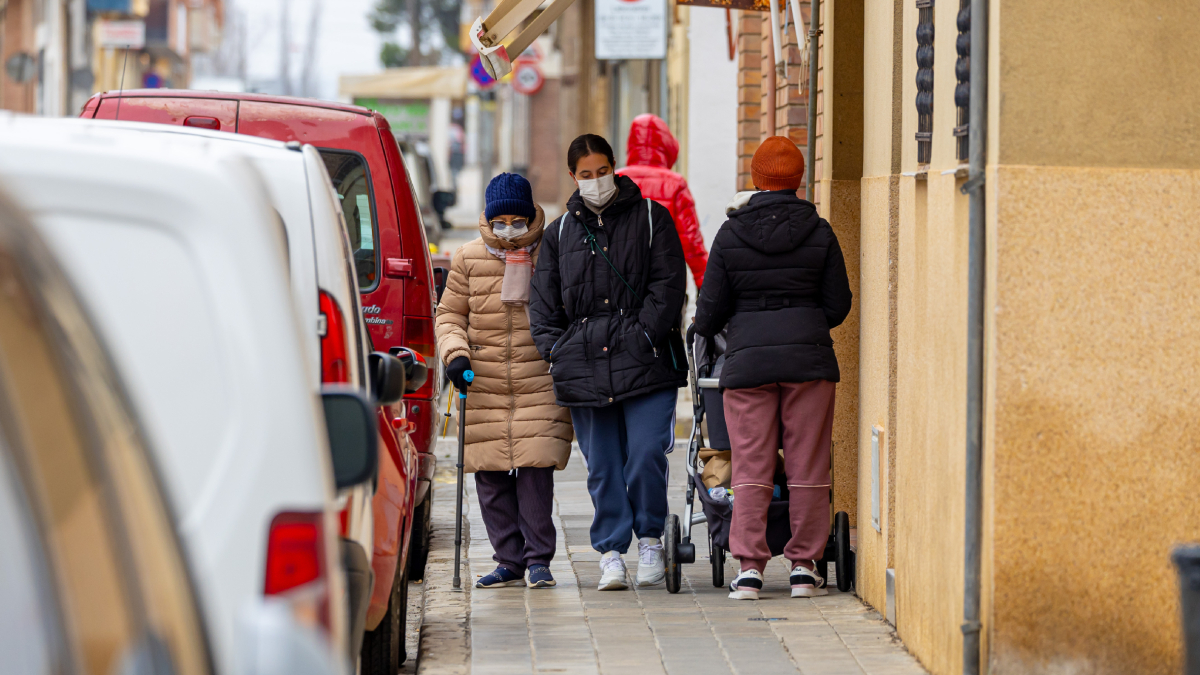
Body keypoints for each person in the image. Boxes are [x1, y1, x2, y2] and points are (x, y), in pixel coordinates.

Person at [692, 136, 853, 601]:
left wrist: (741, 325)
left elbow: (708, 314)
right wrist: (804, 322)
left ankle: (749, 569)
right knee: (807, 463)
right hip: (810, 361)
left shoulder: (731, 233)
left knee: (750, 462)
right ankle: (804, 566)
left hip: (748, 364)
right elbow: (838, 303)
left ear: (757, 179)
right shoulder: (820, 231)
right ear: (798, 180)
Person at [529, 134, 688, 591]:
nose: (595, 181)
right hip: (584, 365)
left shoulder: (654, 219)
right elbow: (543, 305)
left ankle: (651, 540)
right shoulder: (560, 233)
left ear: (615, 167)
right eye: (585, 174)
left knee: (643, 455)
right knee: (601, 464)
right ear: (573, 177)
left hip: (646, 362)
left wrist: (642, 334)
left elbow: (668, 285)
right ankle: (612, 552)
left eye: (602, 171)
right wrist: (557, 350)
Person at [435, 172, 574, 589]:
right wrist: (455, 353)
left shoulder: (554, 251)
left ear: (531, 216)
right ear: (489, 219)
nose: (508, 229)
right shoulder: (468, 258)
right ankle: (508, 559)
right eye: (501, 221)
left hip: (539, 378)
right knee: (490, 475)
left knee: (535, 472)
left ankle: (538, 560)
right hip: (484, 380)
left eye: (517, 220)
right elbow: (450, 315)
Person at [617, 114, 709, 289]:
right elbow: (692, 244)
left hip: (621, 283)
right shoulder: (675, 184)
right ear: (666, 145)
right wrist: (707, 287)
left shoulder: (615, 181)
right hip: (666, 285)